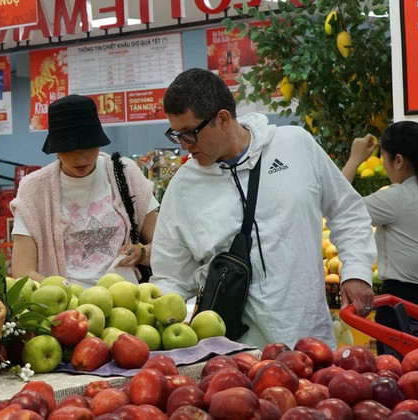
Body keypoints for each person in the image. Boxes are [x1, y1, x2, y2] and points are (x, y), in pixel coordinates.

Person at [150, 68, 376, 348]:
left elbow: (347, 211)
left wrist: (356, 272)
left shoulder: (296, 146)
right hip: (234, 356)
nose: (184, 146)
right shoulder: (183, 187)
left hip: (309, 342)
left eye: (189, 133)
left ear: (222, 119)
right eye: (177, 135)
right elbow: (171, 276)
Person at [10, 94, 158, 286]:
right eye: (69, 149)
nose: (81, 158)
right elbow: (22, 272)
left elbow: (164, 246)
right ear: (56, 148)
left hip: (127, 300)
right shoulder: (34, 190)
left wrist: (142, 253)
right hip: (67, 305)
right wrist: (67, 294)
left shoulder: (125, 174)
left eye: (89, 147)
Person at [341, 122, 418, 353]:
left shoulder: (396, 199)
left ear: (398, 160)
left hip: (400, 309)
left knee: (400, 381)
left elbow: (338, 205)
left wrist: (354, 160)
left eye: (384, 158)